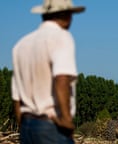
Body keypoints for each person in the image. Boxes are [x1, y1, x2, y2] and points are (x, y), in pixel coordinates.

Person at [11, 0, 85, 143]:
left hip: (27, 127)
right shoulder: (62, 37)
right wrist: (66, 120)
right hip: (52, 127)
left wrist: (24, 127)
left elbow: (17, 97)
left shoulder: (20, 45)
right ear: (66, 15)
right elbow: (61, 79)